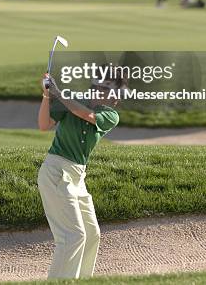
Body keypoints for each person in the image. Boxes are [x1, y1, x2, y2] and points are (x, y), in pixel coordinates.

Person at [37, 70, 126, 280]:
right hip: (56, 171)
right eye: (111, 91)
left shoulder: (110, 115)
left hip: (77, 178)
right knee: (73, 236)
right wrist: (47, 95)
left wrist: (58, 93)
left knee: (91, 234)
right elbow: (44, 125)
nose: (116, 99)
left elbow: (88, 115)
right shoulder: (72, 102)